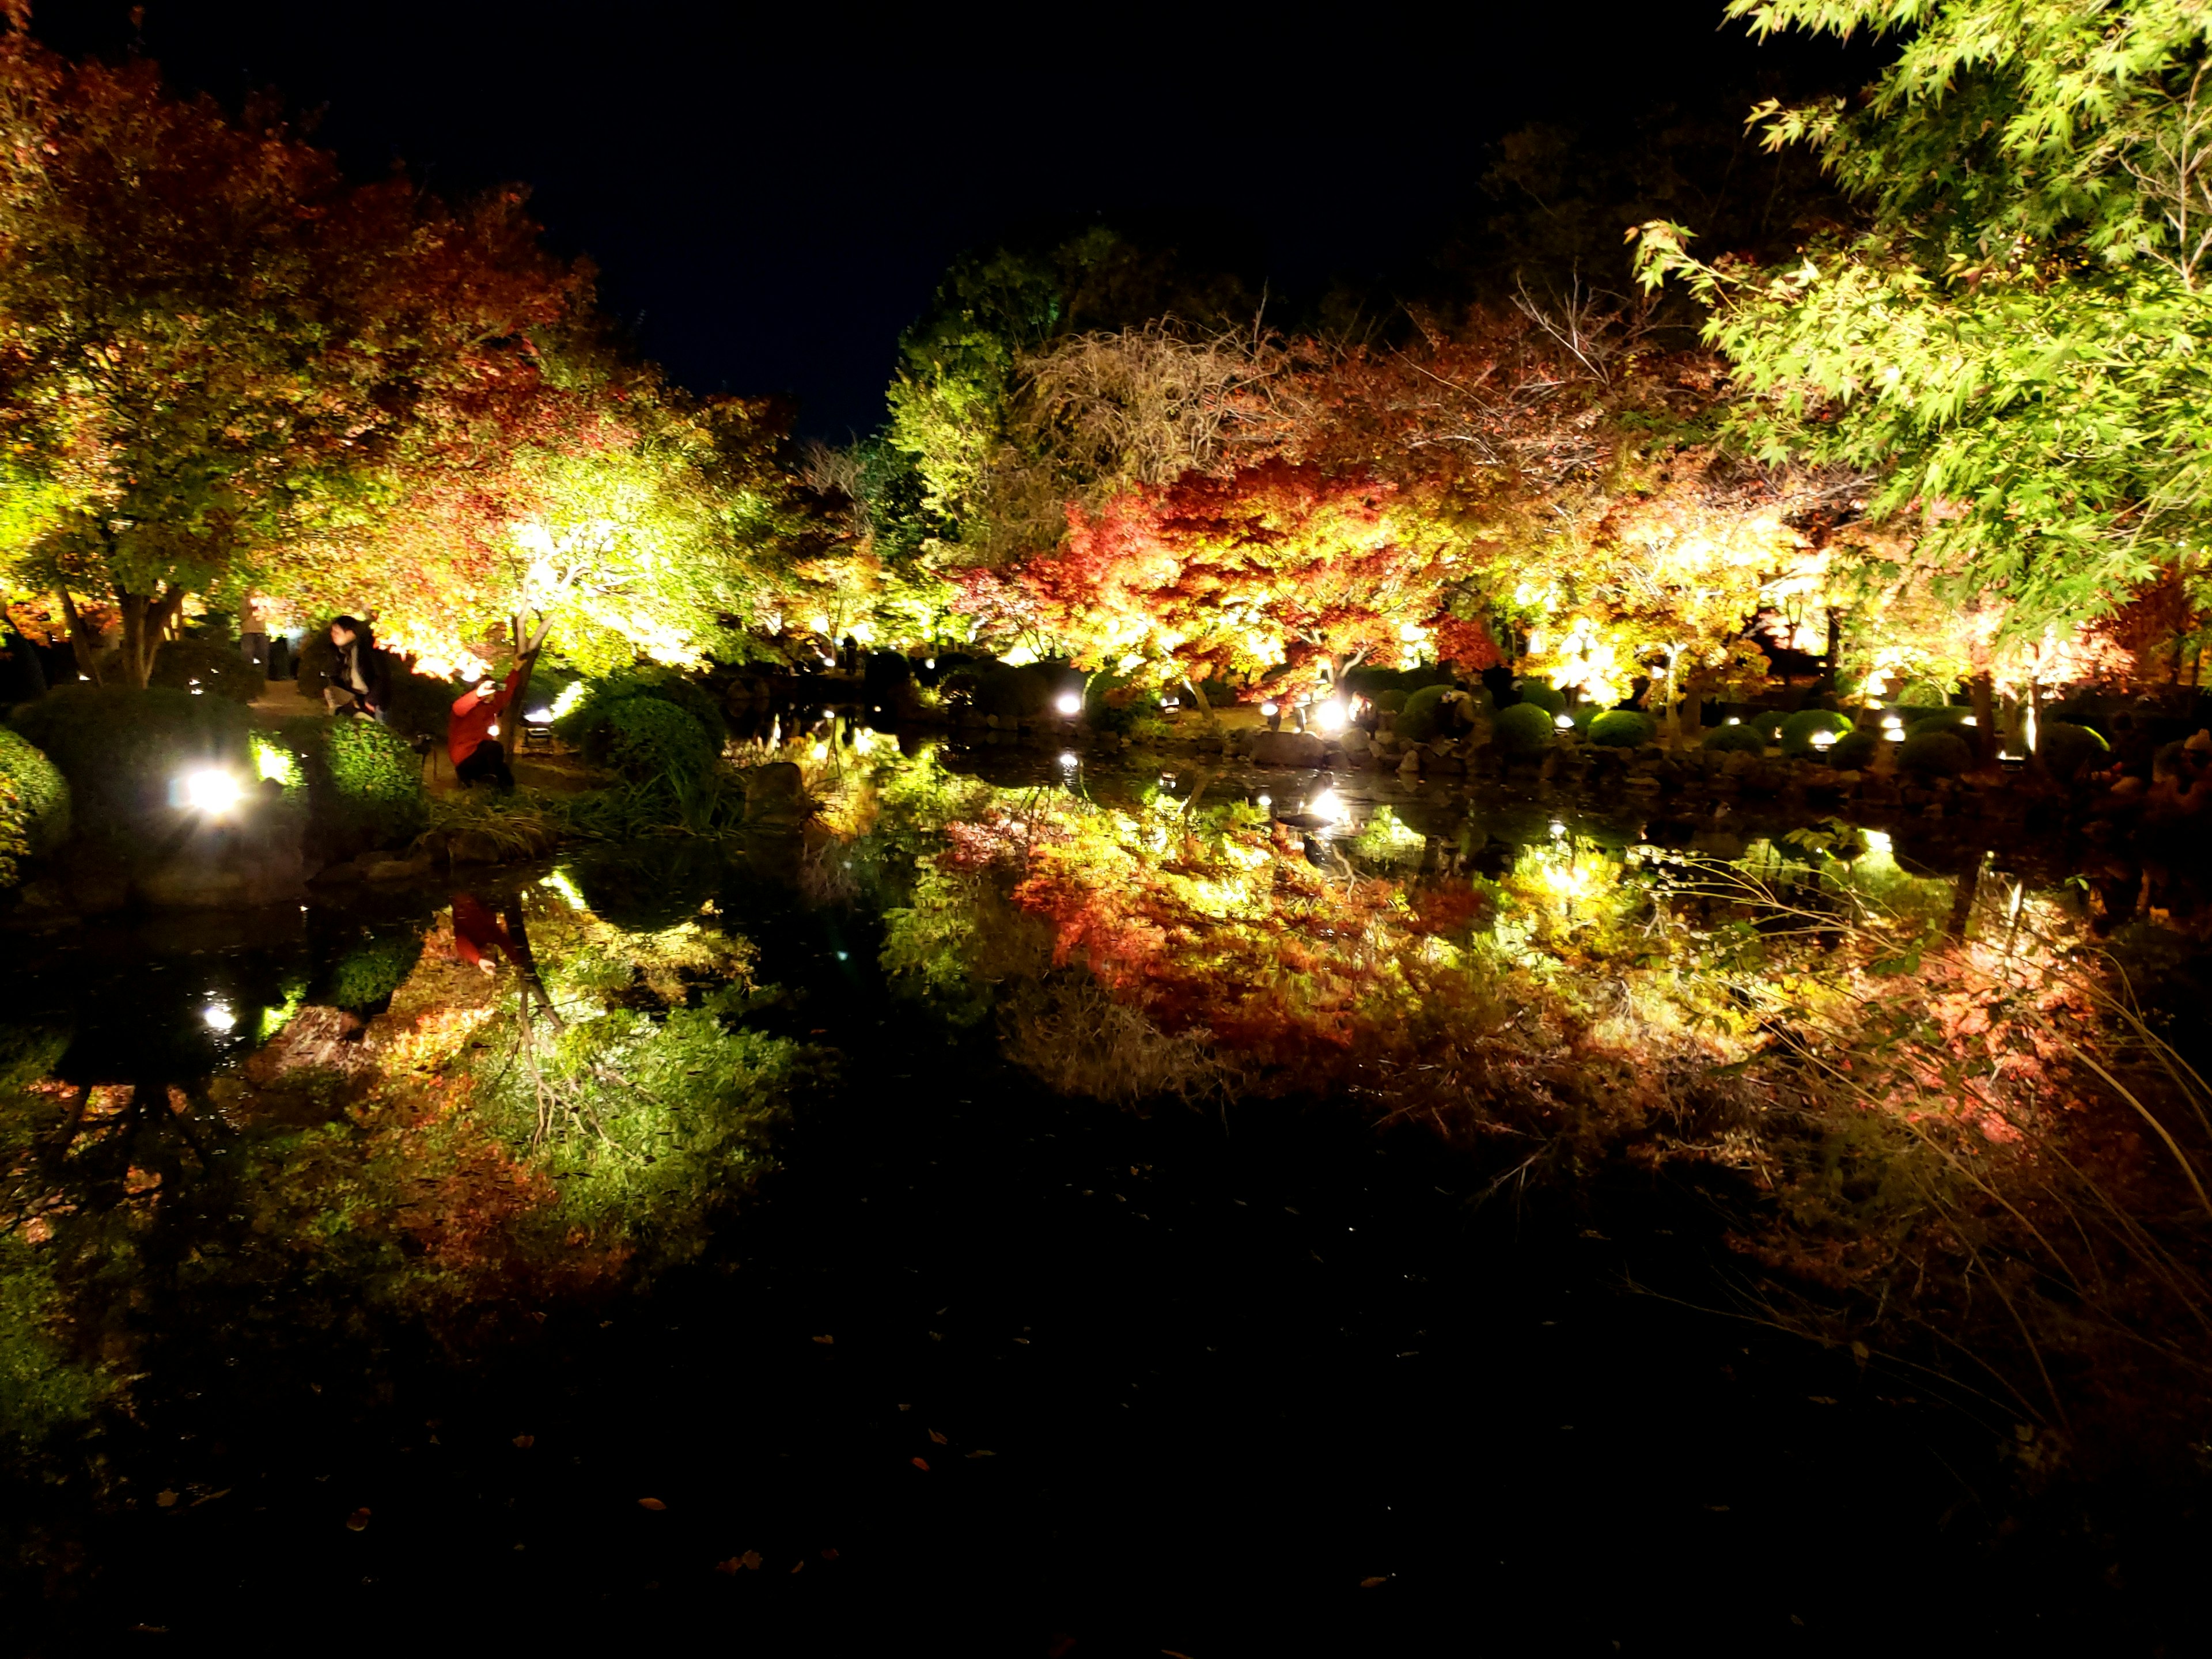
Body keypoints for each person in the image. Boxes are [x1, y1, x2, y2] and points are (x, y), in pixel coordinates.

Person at [449, 672, 517, 791]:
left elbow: (506, 692)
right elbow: (458, 708)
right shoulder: (467, 706)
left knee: (505, 773)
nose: (491, 696)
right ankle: (478, 781)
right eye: (488, 692)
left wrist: (516, 669)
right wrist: (477, 694)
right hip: (464, 757)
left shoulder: (491, 706)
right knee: (494, 747)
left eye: (493, 692)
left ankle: (504, 790)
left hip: (481, 754)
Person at [324, 616, 391, 722]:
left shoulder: (369, 648)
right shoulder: (337, 651)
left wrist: (372, 700)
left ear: (351, 633)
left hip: (373, 701)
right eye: (333, 631)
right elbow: (334, 675)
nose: (333, 634)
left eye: (337, 632)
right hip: (354, 701)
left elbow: (382, 675)